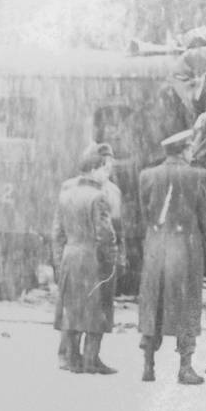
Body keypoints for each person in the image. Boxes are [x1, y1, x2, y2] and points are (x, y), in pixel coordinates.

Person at [138, 128, 206, 384]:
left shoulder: (147, 176)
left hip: (156, 247)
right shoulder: (197, 175)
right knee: (187, 305)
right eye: (190, 147)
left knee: (153, 304)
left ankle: (148, 365)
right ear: (184, 150)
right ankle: (185, 367)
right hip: (185, 248)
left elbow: (144, 214)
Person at [56, 144, 124, 373]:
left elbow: (57, 232)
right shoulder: (98, 197)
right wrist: (112, 259)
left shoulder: (66, 193)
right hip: (92, 257)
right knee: (98, 308)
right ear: (94, 169)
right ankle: (91, 359)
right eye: (104, 168)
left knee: (73, 307)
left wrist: (60, 260)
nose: (108, 172)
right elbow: (105, 235)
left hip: (70, 254)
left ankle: (70, 357)